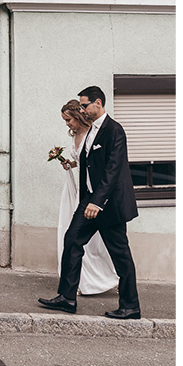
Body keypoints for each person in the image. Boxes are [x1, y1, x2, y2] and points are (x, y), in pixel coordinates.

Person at [38, 86, 141, 320]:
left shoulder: (114, 130)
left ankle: (130, 306)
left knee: (120, 255)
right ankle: (67, 297)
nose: (82, 109)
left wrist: (97, 202)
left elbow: (113, 170)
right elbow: (90, 164)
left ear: (98, 103)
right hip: (88, 202)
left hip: (108, 205)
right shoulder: (91, 130)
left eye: (84, 105)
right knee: (71, 240)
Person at [53, 100, 118, 295]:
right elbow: (83, 162)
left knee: (100, 241)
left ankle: (106, 278)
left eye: (68, 119)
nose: (67, 124)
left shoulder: (96, 133)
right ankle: (74, 285)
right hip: (75, 189)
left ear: (78, 116)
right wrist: (70, 163)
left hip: (94, 195)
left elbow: (105, 166)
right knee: (70, 236)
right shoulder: (76, 135)